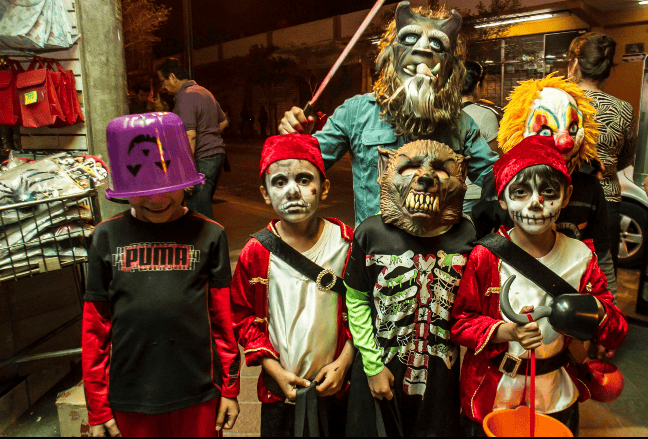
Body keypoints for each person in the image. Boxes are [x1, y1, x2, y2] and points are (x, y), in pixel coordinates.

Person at [452, 135, 627, 437]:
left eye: (548, 191)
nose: (535, 203)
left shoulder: (582, 257)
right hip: (495, 391)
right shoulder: (487, 256)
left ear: (567, 194)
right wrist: (507, 331)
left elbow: (615, 329)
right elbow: (460, 322)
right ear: (503, 198)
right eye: (520, 192)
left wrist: (593, 311)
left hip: (555, 390)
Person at [82, 112, 240, 437]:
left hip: (200, 395)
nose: (157, 198)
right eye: (143, 187)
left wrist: (230, 389)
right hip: (131, 399)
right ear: (125, 185)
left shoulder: (210, 235)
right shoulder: (105, 238)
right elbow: (94, 330)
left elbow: (224, 321)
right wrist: (98, 407)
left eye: (168, 185)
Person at [279, 1, 498, 225]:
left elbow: (499, 180)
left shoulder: (461, 124)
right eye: (410, 39)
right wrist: (296, 140)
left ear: (451, 67)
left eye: (437, 44)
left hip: (439, 256)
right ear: (391, 54)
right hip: (374, 255)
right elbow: (300, 170)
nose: (423, 49)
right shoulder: (356, 112)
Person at [344, 139, 476, 437]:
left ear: (462, 176)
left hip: (441, 377)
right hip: (380, 367)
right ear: (384, 170)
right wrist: (372, 365)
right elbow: (356, 298)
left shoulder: (466, 235)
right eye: (411, 167)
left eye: (441, 171)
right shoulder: (370, 233)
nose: (425, 178)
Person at [230, 134, 355, 437]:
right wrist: (273, 370)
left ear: (323, 188)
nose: (293, 192)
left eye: (303, 179)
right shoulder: (256, 253)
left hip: (336, 387)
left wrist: (343, 362)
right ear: (264, 193)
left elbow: (364, 309)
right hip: (280, 392)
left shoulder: (346, 244)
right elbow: (242, 315)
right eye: (279, 182)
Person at [471, 74, 619, 301]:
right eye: (546, 131)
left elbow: (602, 257)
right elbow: (481, 245)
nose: (565, 141)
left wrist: (606, 308)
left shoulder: (589, 188)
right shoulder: (498, 183)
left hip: (568, 300)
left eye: (572, 128)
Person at [567, 33, 637, 272]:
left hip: (564, 197)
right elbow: (626, 157)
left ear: (576, 64)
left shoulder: (558, 101)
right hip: (606, 200)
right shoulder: (623, 109)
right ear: (607, 70)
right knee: (601, 273)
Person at [156, 58, 229, 220]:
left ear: (173, 77)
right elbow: (223, 122)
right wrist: (208, 133)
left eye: (163, 81)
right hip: (216, 157)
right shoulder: (204, 91)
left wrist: (186, 172)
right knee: (201, 206)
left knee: (199, 214)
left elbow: (190, 136)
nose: (163, 87)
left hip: (202, 159)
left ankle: (211, 244)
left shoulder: (186, 97)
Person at [461, 61, 502, 215]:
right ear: (478, 85)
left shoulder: (443, 113)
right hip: (475, 194)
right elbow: (495, 160)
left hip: (448, 192)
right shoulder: (486, 115)